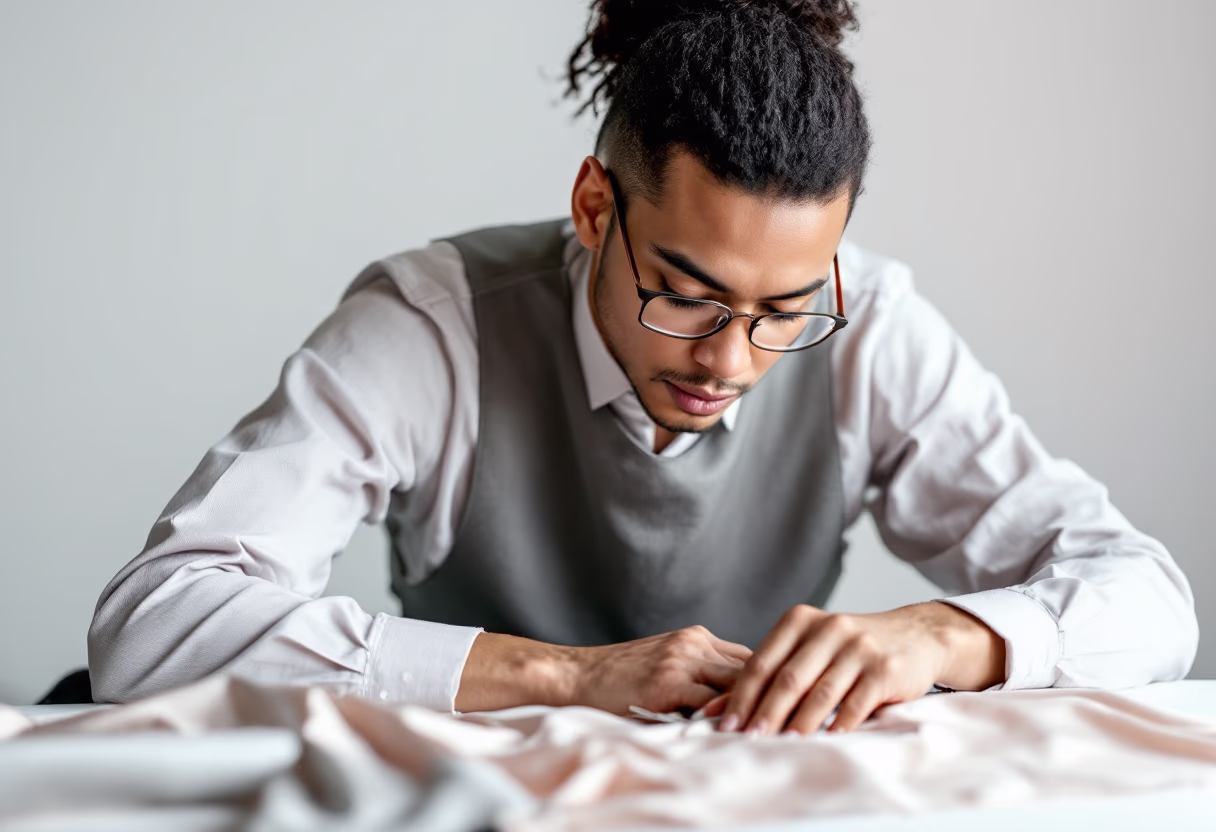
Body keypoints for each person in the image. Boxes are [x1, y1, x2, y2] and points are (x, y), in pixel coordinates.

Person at [88, 0, 1197, 737]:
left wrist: (945, 634)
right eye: (687, 293)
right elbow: (154, 623)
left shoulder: (874, 327)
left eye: (783, 310)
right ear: (593, 208)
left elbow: (1148, 599)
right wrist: (568, 676)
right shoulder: (431, 326)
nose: (730, 359)